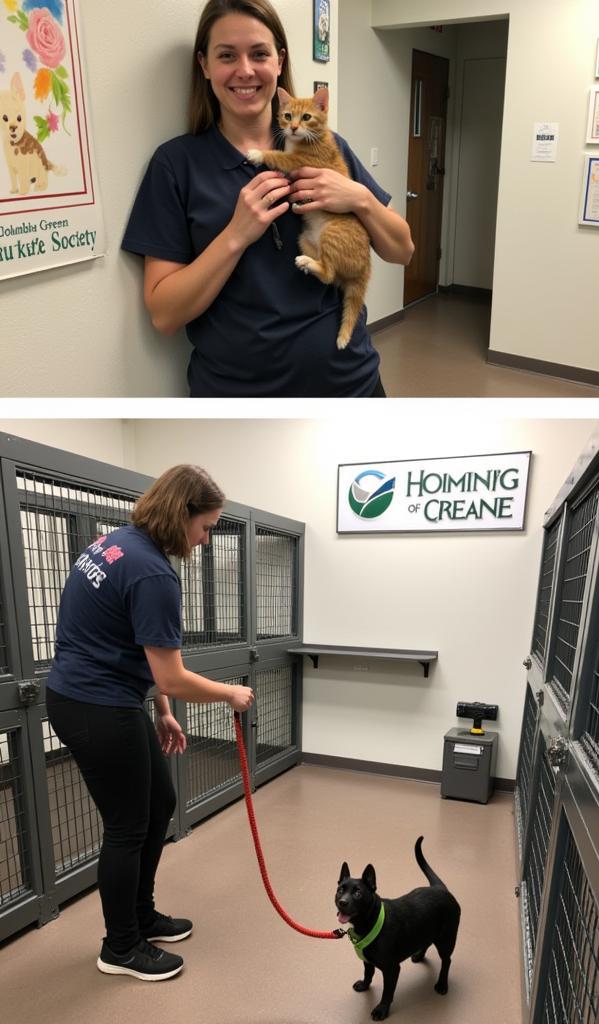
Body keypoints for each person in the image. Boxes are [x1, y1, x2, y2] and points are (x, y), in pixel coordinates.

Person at [122, 0, 414, 397]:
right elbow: (164, 314)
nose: (244, 70)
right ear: (205, 66)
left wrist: (360, 198)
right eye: (226, 55)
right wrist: (236, 235)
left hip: (352, 387)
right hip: (239, 399)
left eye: (258, 54)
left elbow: (403, 250)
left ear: (278, 62)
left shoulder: (329, 148)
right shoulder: (176, 165)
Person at [45, 465, 255, 981]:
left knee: (160, 801)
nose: (205, 540)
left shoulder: (117, 544)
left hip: (99, 697)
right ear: (182, 514)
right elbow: (174, 675)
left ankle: (141, 916)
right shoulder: (153, 573)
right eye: (206, 527)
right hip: (96, 705)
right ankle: (120, 948)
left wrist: (161, 711)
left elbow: (129, 644)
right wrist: (230, 692)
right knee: (126, 827)